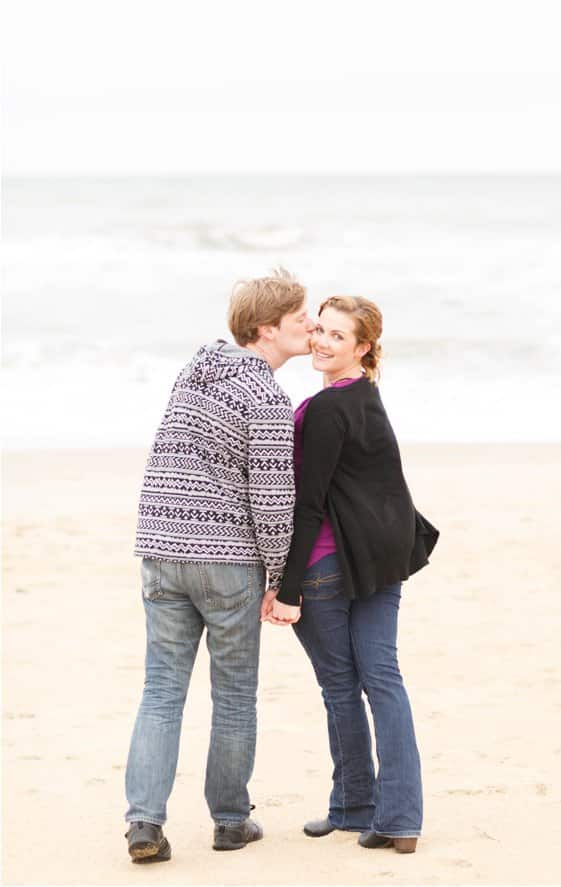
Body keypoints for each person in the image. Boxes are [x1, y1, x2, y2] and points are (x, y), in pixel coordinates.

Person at [125, 268, 314, 863]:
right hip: (227, 560)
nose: (310, 325)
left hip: (161, 547)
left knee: (161, 692)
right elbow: (274, 500)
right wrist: (282, 581)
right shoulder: (266, 397)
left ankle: (144, 826)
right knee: (233, 695)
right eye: (300, 317)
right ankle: (231, 820)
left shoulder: (194, 370)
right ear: (267, 329)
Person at [264, 295, 438, 854]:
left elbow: (308, 504)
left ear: (363, 348)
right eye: (319, 330)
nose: (320, 342)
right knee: (383, 680)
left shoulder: (325, 409)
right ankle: (398, 818)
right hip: (382, 561)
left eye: (337, 337)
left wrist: (286, 590)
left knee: (342, 687)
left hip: (325, 567)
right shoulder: (367, 396)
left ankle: (355, 806)